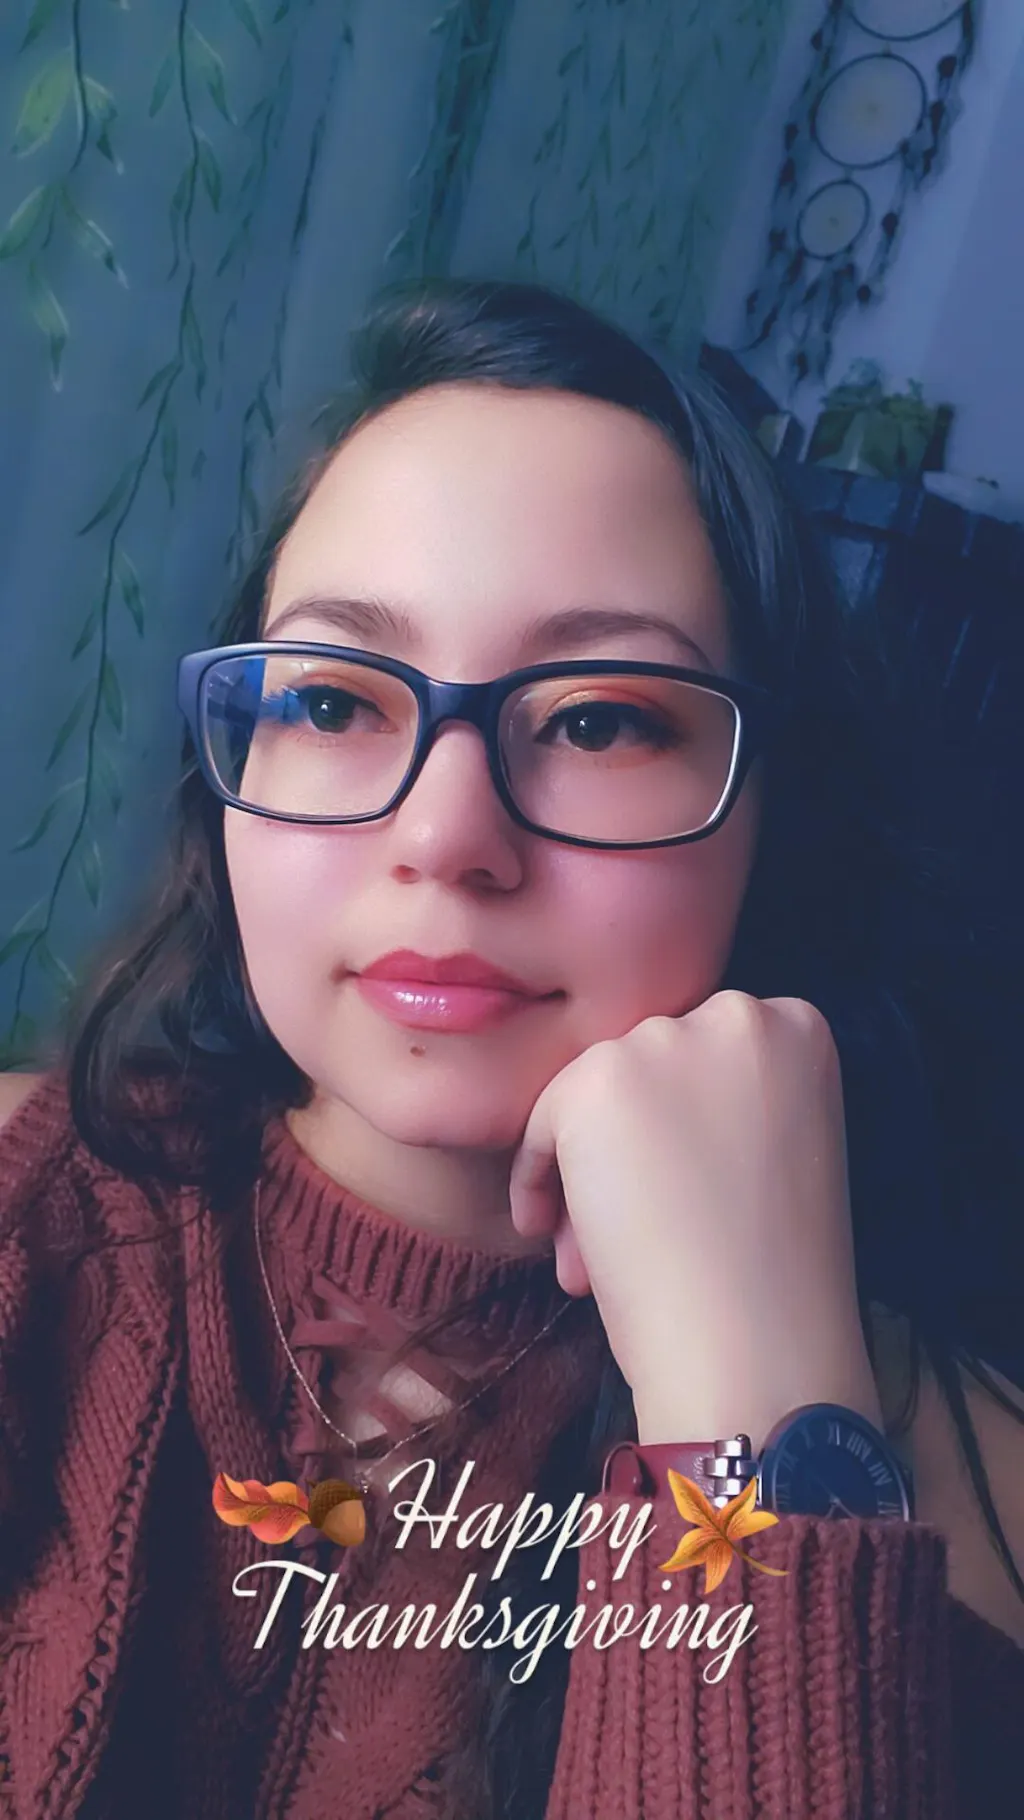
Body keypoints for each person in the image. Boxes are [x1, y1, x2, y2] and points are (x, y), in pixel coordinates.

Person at [1, 276, 1022, 1820]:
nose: (445, 835)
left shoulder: (978, 1509)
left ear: (777, 817)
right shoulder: (27, 1231)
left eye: (602, 720)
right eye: (332, 699)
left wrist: (760, 1403)